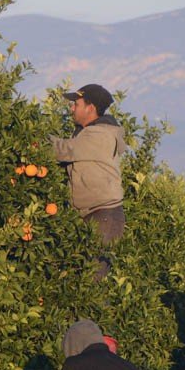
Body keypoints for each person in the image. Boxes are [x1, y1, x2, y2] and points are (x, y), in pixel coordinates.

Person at [50, 84, 127, 279]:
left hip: (103, 216)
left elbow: (63, 150)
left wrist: (31, 136)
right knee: (80, 276)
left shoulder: (99, 135)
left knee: (90, 282)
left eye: (76, 104)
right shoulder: (88, 132)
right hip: (95, 214)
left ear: (90, 108)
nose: (72, 108)